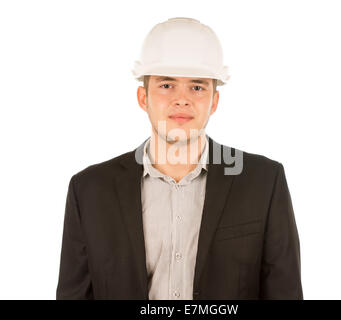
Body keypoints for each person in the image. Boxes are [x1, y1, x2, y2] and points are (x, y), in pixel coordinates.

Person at [56, 17, 303, 300]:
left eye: (197, 87)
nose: (182, 99)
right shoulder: (89, 189)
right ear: (143, 97)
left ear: (214, 101)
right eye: (166, 85)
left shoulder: (263, 182)